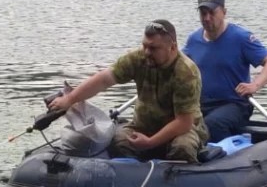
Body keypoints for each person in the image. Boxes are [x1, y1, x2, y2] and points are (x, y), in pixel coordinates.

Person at [48, 19, 208, 163]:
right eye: (144, 45)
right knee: (118, 141)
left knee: (183, 147)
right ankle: (135, 176)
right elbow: (104, 80)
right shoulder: (138, 58)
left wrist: (150, 142)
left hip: (182, 130)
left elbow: (184, 123)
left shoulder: (186, 73)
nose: (146, 52)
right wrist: (70, 99)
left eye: (153, 48)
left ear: (172, 47)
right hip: (145, 125)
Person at [183, 0, 267, 143]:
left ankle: (225, 157)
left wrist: (254, 85)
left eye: (212, 13)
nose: (207, 18)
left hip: (235, 104)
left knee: (213, 124)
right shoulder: (194, 39)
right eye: (203, 13)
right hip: (202, 104)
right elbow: (178, 66)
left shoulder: (241, 37)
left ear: (224, 12)